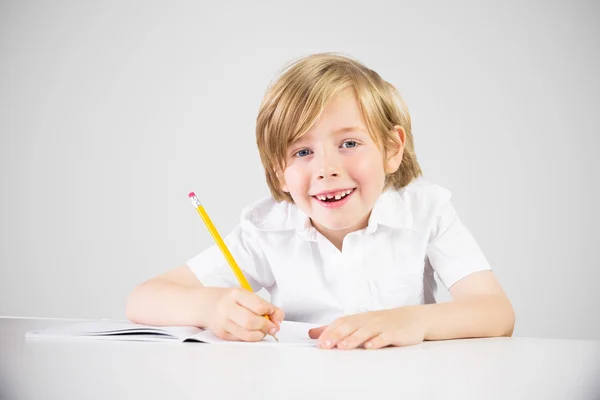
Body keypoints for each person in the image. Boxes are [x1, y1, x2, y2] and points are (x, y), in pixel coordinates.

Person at [126, 53, 515, 350]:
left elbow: (497, 313)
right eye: (302, 152)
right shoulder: (266, 230)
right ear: (279, 170)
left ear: (392, 148)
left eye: (349, 143)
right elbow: (143, 299)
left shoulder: (426, 210)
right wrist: (210, 308)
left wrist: (414, 322)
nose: (326, 169)